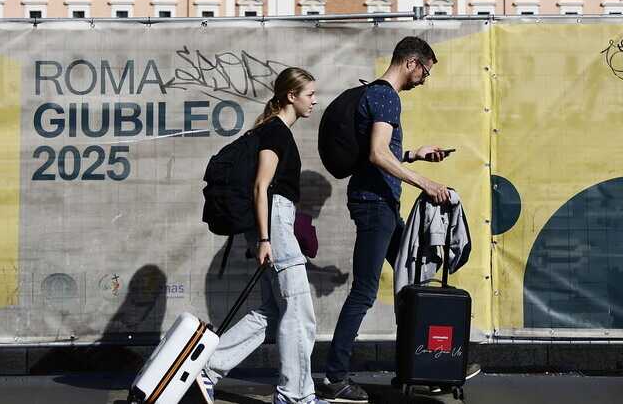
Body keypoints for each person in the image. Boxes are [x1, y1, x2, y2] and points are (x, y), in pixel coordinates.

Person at [317, 37, 476, 403]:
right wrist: (425, 182)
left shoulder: (375, 94)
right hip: (376, 205)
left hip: (379, 202)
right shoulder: (387, 96)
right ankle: (336, 377)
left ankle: (431, 364)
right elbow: (376, 155)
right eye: (425, 72)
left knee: (414, 281)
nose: (424, 80)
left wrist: (414, 155)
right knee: (366, 290)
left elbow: (382, 153)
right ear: (411, 63)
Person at [198, 67, 329, 404]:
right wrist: (267, 238)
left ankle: (207, 368)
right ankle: (295, 395)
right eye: (310, 94)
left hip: (273, 223)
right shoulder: (276, 133)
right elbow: (261, 186)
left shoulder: (273, 130)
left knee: (271, 311)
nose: (315, 100)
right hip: (275, 223)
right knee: (299, 313)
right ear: (291, 96)